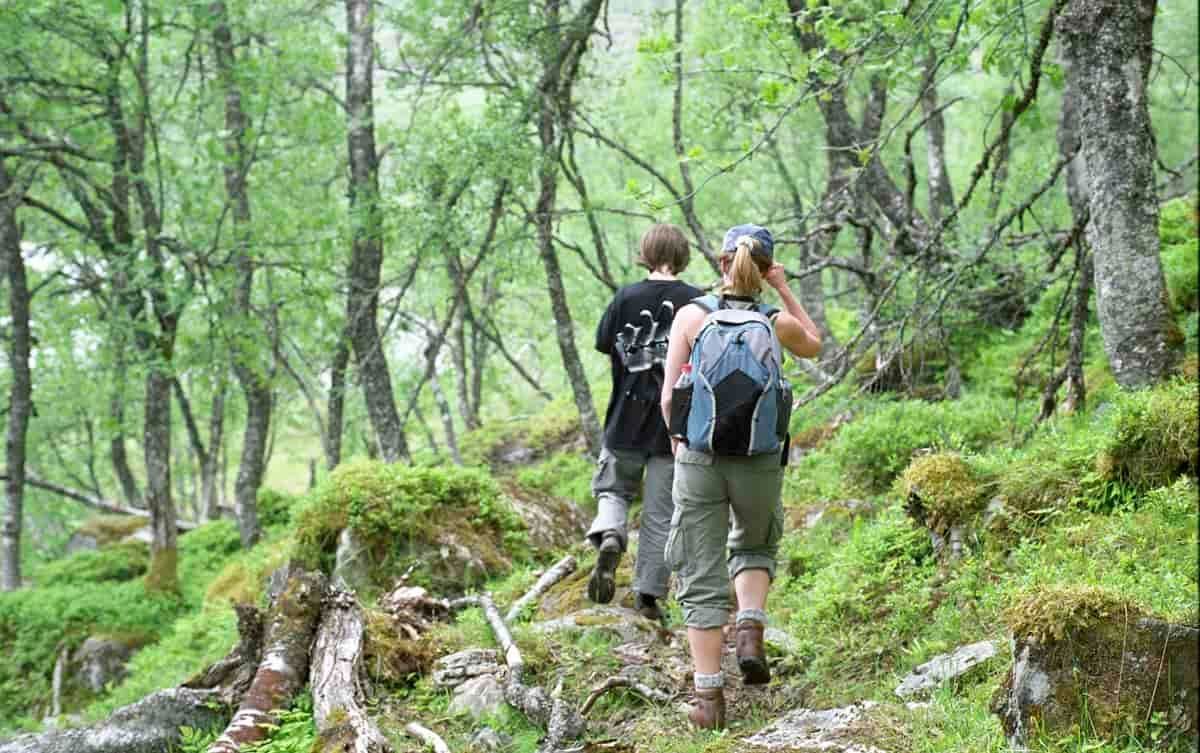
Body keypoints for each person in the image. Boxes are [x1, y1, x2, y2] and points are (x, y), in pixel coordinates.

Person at [660, 224, 821, 730]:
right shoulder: (775, 322)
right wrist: (783, 287)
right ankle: (750, 627)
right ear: (764, 266)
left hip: (699, 460)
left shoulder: (691, 315)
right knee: (754, 544)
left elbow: (669, 396)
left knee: (700, 573)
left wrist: (680, 445)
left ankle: (709, 703)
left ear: (721, 261)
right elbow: (814, 344)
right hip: (759, 459)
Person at [586, 224, 703, 622]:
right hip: (672, 426)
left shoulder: (624, 298)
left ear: (645, 254)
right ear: (683, 255)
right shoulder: (697, 303)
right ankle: (648, 597)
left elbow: (607, 347)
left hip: (624, 417)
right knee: (660, 512)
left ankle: (611, 535)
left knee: (613, 490)